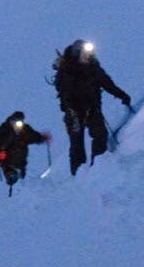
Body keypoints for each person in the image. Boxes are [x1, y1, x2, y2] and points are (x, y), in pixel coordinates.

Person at [52, 40, 133, 174]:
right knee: (77, 143)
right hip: (74, 112)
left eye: (89, 53)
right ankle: (78, 175)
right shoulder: (67, 70)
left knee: (100, 135)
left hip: (92, 108)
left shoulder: (94, 68)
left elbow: (107, 84)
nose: (87, 56)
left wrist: (122, 95)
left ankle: (98, 169)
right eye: (84, 53)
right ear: (77, 53)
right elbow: (65, 97)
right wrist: (73, 113)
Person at [0, 111, 51, 190]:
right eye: (17, 122)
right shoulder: (4, 131)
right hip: (8, 165)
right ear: (12, 121)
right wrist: (0, 155)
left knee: (23, 185)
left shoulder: (25, 129)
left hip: (21, 163)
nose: (19, 124)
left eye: (21, 122)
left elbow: (33, 136)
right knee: (14, 184)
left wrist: (42, 138)